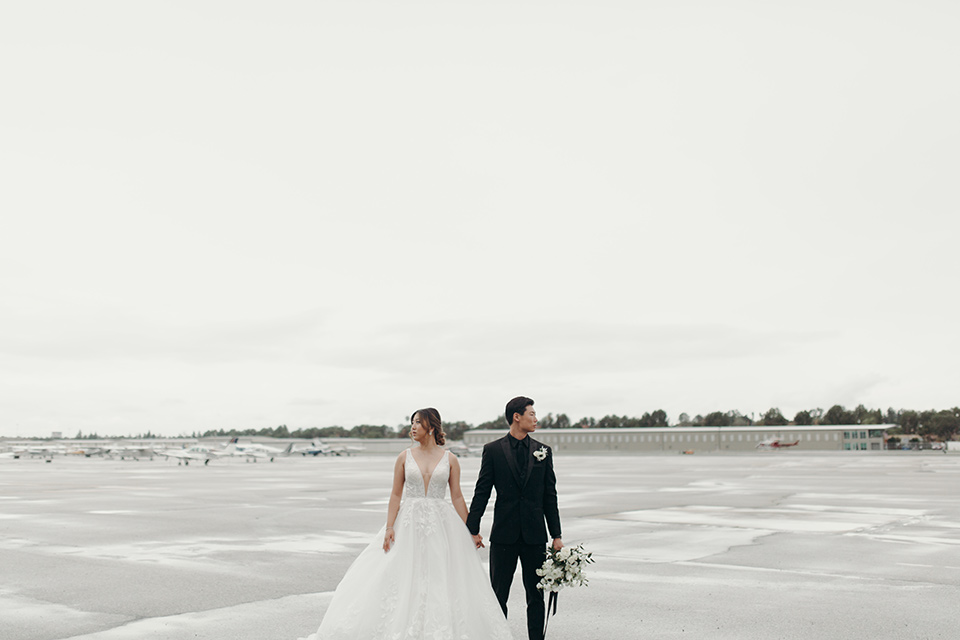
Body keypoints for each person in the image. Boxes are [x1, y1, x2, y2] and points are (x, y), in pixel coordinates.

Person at [298, 408, 513, 640]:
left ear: (431, 427)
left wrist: (472, 530)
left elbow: (457, 497)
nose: (412, 427)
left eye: (418, 423)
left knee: (440, 575)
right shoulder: (404, 457)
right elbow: (395, 495)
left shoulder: (451, 459)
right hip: (408, 523)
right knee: (400, 574)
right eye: (412, 423)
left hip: (441, 525)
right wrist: (390, 527)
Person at [466, 396, 563, 640]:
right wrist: (472, 529)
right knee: (498, 595)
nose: (536, 419)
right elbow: (482, 492)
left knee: (536, 595)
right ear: (516, 417)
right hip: (504, 535)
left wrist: (556, 535)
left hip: (534, 536)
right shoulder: (493, 450)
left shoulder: (543, 451)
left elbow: (549, 496)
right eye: (532, 414)